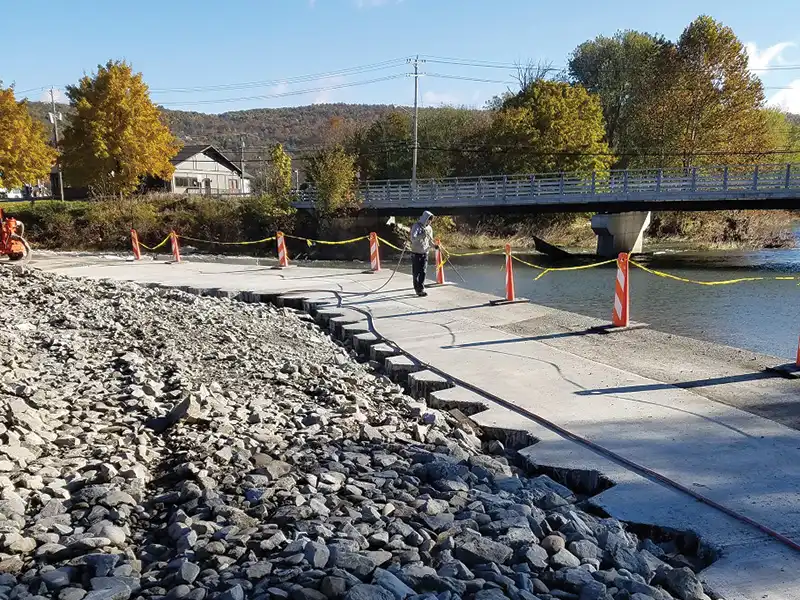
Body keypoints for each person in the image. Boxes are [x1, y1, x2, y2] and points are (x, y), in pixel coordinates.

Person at [409, 210, 437, 297]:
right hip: (416, 252)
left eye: (431, 220)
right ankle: (417, 289)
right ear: (425, 218)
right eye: (429, 219)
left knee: (423, 271)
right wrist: (421, 235)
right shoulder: (416, 226)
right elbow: (413, 239)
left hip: (425, 252)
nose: (429, 222)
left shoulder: (429, 228)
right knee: (416, 272)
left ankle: (421, 289)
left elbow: (430, 240)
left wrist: (434, 246)